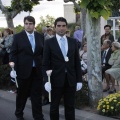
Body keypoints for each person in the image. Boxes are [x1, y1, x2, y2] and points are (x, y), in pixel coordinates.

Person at [43, 17, 82, 120]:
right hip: (55, 80)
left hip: (70, 80)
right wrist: (46, 81)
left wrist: (79, 80)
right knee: (54, 107)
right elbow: (45, 63)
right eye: (59, 26)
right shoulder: (49, 43)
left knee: (70, 106)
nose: (61, 28)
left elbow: (77, 62)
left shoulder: (73, 41)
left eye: (63, 26)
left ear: (66, 27)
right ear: (55, 27)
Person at [9, 16, 44, 120]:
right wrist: (12, 62)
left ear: (34, 25)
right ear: (24, 24)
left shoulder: (40, 36)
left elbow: (43, 53)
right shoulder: (18, 37)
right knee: (22, 95)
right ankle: (19, 114)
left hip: (37, 71)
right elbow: (13, 52)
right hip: (23, 71)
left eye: (31, 23)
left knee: (36, 96)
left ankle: (38, 116)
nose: (29, 26)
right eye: (27, 23)